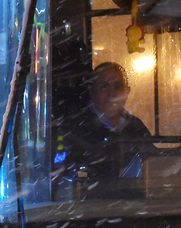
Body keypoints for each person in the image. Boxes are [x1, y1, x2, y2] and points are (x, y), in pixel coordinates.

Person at [59, 62, 152, 198]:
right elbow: (67, 175)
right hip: (92, 212)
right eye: (104, 86)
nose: (112, 93)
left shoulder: (136, 126)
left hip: (135, 211)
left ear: (127, 92)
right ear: (91, 91)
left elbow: (153, 163)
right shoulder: (76, 127)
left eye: (118, 86)